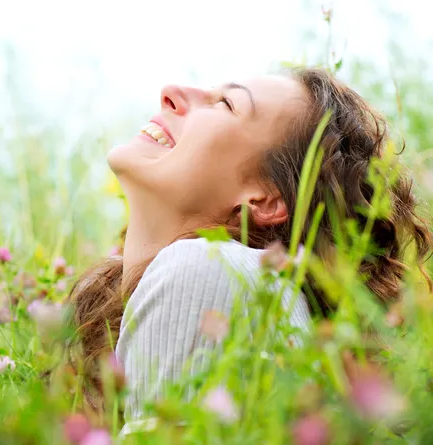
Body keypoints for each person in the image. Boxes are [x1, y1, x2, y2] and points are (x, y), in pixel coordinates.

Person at [67, 66, 431, 431]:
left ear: (265, 198)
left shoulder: (207, 269)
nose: (171, 91)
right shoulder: (236, 285)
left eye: (226, 103)